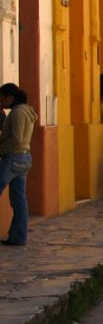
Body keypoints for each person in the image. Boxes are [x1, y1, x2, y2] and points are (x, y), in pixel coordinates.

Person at [0, 83, 36, 246]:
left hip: (14, 157)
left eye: (2, 98)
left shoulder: (16, 113)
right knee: (19, 200)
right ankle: (18, 237)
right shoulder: (26, 111)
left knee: (19, 200)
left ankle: (18, 236)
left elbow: (15, 141)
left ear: (10, 98)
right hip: (24, 157)